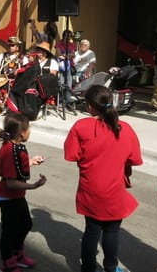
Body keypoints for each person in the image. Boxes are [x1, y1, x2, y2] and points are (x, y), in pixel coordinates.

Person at [64, 85, 143, 272]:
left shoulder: (81, 126)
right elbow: (134, 158)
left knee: (91, 231)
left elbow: (71, 155)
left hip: (90, 188)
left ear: (90, 107)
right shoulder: (126, 128)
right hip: (115, 190)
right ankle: (111, 267)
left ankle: (89, 268)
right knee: (112, 231)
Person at [0, 112, 47, 272]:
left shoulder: (13, 147)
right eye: (29, 128)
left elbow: (16, 169)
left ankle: (18, 254)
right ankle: (8, 264)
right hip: (8, 197)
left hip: (16, 196)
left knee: (25, 224)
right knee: (9, 232)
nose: (30, 131)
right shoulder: (10, 151)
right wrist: (33, 186)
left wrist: (30, 162)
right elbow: (10, 183)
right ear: (22, 133)